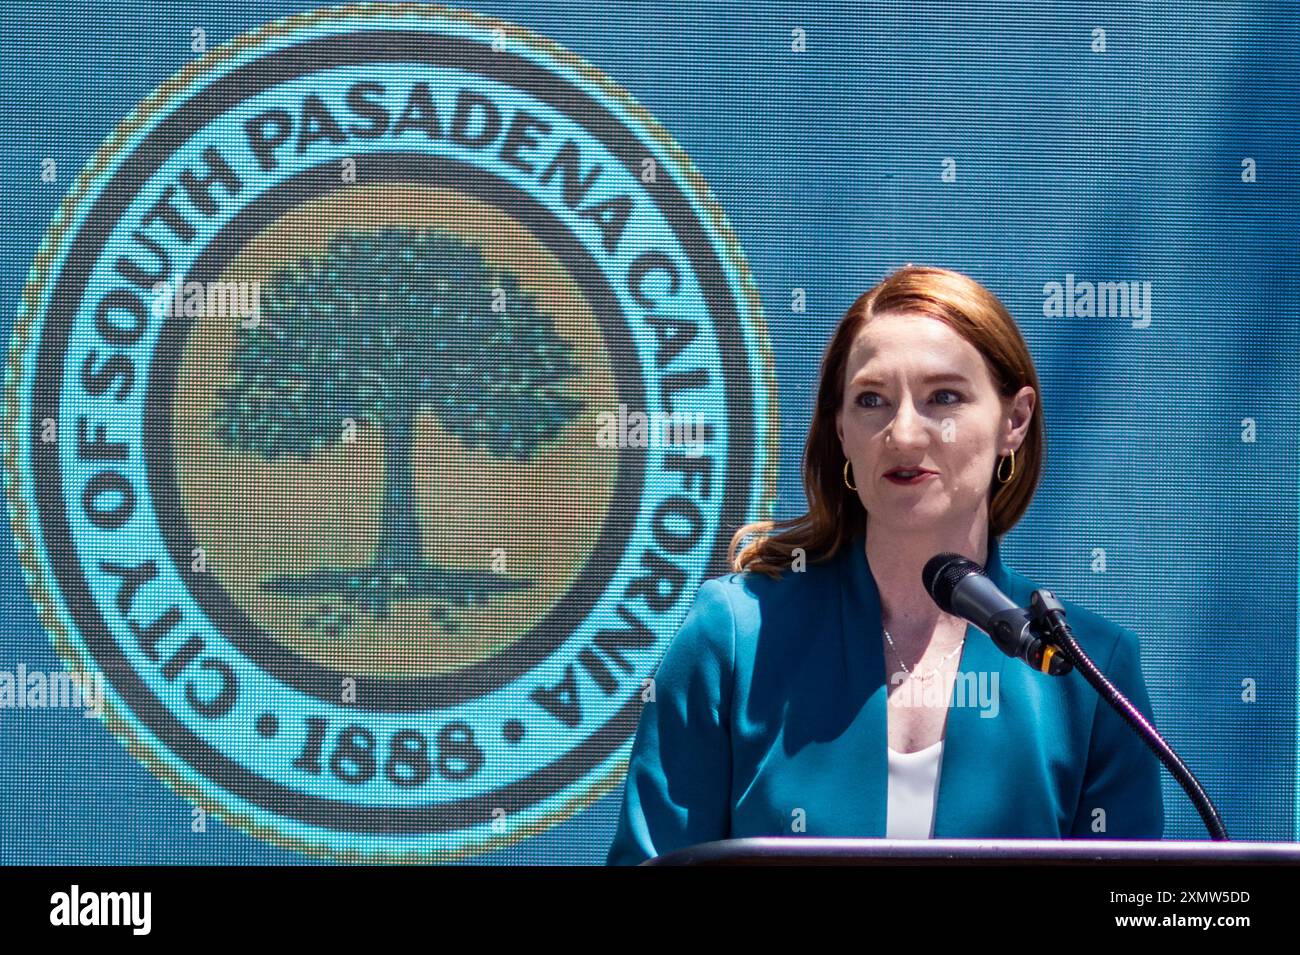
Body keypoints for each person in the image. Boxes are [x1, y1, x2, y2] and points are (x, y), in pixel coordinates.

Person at [605, 264, 1164, 865]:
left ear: (1014, 421)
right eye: (871, 400)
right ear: (841, 430)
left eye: (942, 397)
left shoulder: (1088, 672)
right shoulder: (735, 637)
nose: (903, 434)